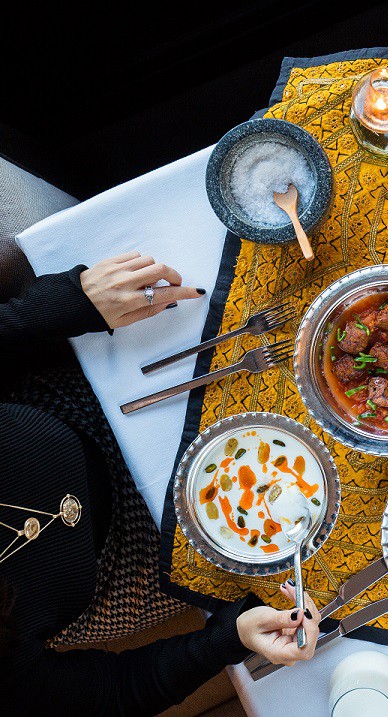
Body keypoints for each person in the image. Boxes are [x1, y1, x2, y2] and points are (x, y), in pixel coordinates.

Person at [0, 253, 321, 714]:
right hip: (126, 569)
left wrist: (69, 303)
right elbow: (117, 694)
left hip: (74, 399)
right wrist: (227, 638)